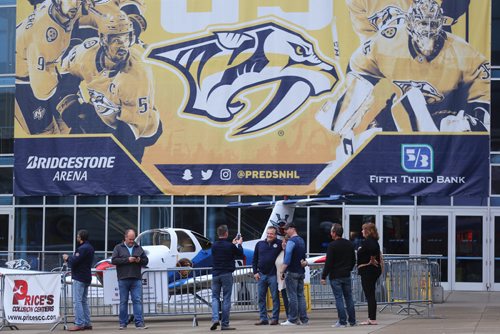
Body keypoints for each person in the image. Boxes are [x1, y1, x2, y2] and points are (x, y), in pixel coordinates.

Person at [57, 11, 162, 162]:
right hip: (105, 112)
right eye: (115, 39)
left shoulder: (137, 75)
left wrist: (99, 152)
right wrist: (73, 113)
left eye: (126, 38)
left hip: (140, 128)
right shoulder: (86, 53)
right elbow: (65, 76)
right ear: (103, 39)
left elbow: (128, 133)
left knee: (121, 171)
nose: (122, 45)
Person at [15, 0, 92, 134]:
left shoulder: (64, 9)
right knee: (46, 134)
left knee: (66, 127)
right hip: (23, 84)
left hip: (45, 69)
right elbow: (41, 91)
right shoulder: (43, 36)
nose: (76, 4)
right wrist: (64, 90)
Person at [111, 229, 149, 330]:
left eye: (133, 239)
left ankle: (139, 323)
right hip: (123, 278)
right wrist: (127, 260)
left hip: (136, 278)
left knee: (137, 300)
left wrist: (139, 260)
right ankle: (123, 323)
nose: (132, 241)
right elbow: (113, 260)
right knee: (123, 301)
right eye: (130, 239)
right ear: (125, 237)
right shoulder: (118, 248)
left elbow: (146, 261)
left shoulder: (138, 247)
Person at [320, 224, 356, 328]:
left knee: (339, 298)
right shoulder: (349, 244)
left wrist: (323, 276)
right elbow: (353, 260)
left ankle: (342, 321)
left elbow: (328, 263)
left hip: (335, 275)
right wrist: (348, 269)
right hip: (346, 275)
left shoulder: (332, 245)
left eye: (331, 231)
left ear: (334, 233)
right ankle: (352, 321)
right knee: (349, 298)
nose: (330, 233)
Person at [210, 225, 243, 331]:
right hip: (226, 274)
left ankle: (215, 318)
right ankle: (225, 324)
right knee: (226, 298)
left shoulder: (214, 245)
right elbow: (240, 254)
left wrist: (232, 244)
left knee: (215, 297)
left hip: (215, 274)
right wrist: (239, 245)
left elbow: (221, 251)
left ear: (218, 233)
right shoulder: (230, 246)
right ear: (226, 233)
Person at [62, 229, 95, 331]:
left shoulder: (82, 248)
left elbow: (75, 261)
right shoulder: (90, 247)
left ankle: (79, 323)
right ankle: (87, 323)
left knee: (78, 301)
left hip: (80, 277)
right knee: (84, 301)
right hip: (86, 276)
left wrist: (67, 258)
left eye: (77, 236)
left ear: (80, 237)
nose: (77, 237)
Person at [252, 226, 282, 326]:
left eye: (271, 234)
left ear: (275, 235)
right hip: (261, 275)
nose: (269, 235)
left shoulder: (279, 244)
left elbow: (285, 255)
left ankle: (275, 319)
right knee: (261, 298)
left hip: (273, 275)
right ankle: (263, 318)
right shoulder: (259, 244)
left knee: (275, 297)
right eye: (268, 233)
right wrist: (255, 272)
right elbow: (254, 259)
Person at [280, 222, 308, 326]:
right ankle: (304, 319)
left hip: (292, 272)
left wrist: (281, 271)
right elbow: (302, 256)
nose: (285, 232)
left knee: (292, 297)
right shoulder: (301, 240)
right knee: (301, 296)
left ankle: (292, 319)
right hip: (301, 271)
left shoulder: (291, 242)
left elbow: (287, 259)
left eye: (286, 229)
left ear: (292, 228)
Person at [357, 222, 383, 325]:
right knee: (370, 294)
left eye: (363, 229)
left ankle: (372, 318)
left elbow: (373, 249)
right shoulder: (373, 241)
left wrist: (372, 259)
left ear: (368, 231)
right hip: (371, 271)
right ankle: (371, 318)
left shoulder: (369, 241)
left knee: (370, 294)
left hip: (368, 271)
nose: (362, 231)